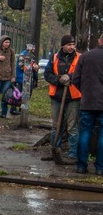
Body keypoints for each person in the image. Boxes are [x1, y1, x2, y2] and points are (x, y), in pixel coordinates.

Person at [44, 34, 82, 164]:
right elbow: (47, 74)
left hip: (73, 97)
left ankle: (73, 154)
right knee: (56, 126)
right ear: (63, 46)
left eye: (73, 44)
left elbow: (81, 72)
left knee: (72, 127)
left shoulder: (79, 57)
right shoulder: (54, 57)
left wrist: (70, 77)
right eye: (69, 45)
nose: (72, 47)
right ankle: (55, 149)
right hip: (57, 96)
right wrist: (59, 80)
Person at [72, 33, 103, 174]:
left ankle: (81, 165)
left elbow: (75, 78)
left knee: (84, 132)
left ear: (99, 40)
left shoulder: (85, 56)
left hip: (88, 101)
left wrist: (84, 91)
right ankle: (100, 168)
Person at [12, 43, 39, 116]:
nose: (33, 49)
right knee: (19, 94)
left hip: (28, 77)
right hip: (22, 77)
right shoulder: (22, 55)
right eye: (32, 47)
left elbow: (33, 64)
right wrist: (32, 67)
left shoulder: (31, 55)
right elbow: (21, 66)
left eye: (34, 47)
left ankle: (22, 109)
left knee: (27, 94)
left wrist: (35, 66)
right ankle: (14, 109)